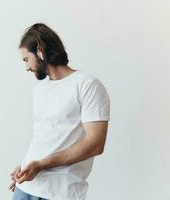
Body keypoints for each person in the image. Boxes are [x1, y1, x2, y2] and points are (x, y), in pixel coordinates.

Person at [8, 23, 111, 200]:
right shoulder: (40, 90)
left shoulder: (87, 85)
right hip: (25, 189)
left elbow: (95, 144)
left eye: (26, 59)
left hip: (61, 193)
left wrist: (41, 165)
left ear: (40, 51)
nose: (26, 68)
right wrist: (26, 166)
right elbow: (45, 138)